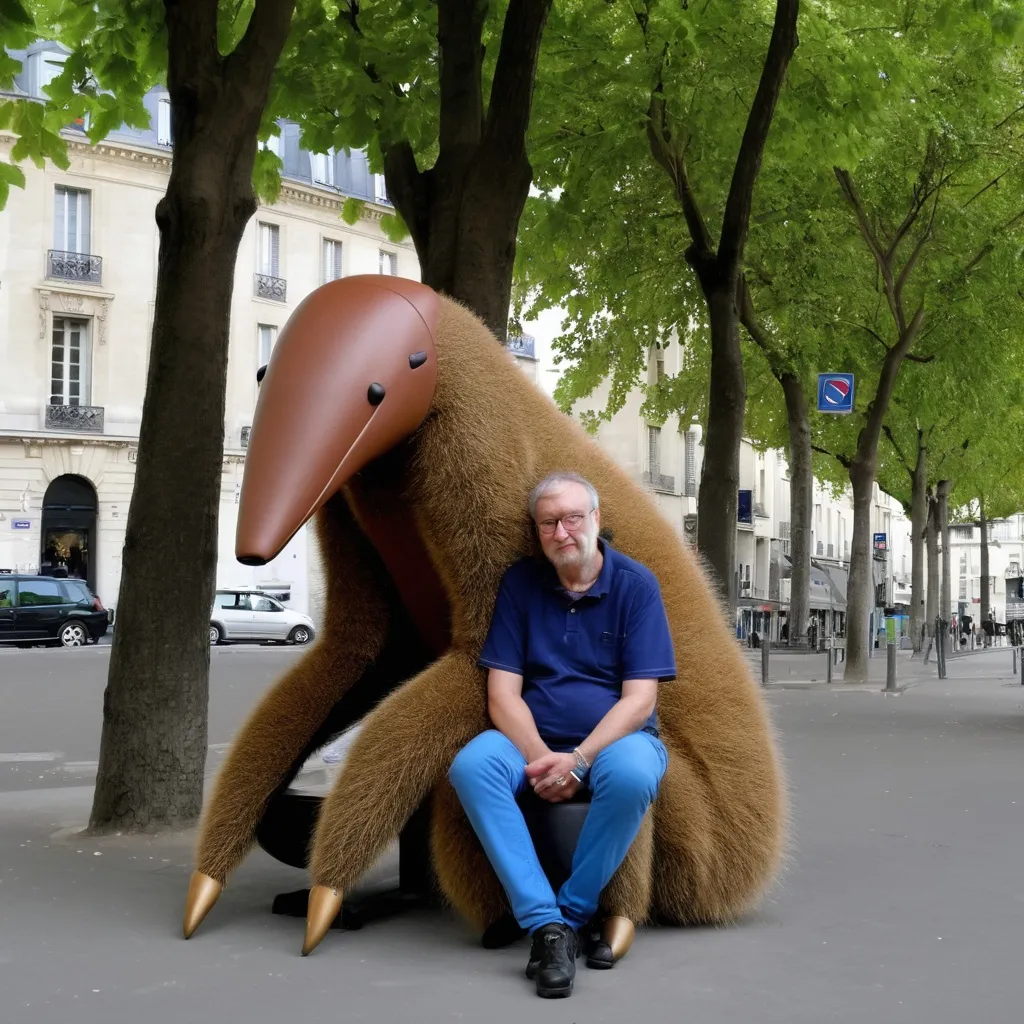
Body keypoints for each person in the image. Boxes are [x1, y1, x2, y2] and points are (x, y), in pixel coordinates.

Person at [449, 471, 675, 999]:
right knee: (472, 765)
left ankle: (571, 912)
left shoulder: (636, 586)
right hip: (531, 739)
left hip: (617, 741)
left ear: (596, 520)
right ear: (537, 530)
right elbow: (503, 694)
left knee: (636, 772)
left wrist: (578, 759)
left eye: (574, 517)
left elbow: (640, 700)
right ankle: (546, 924)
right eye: (549, 522)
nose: (562, 531)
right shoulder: (521, 583)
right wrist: (542, 757)